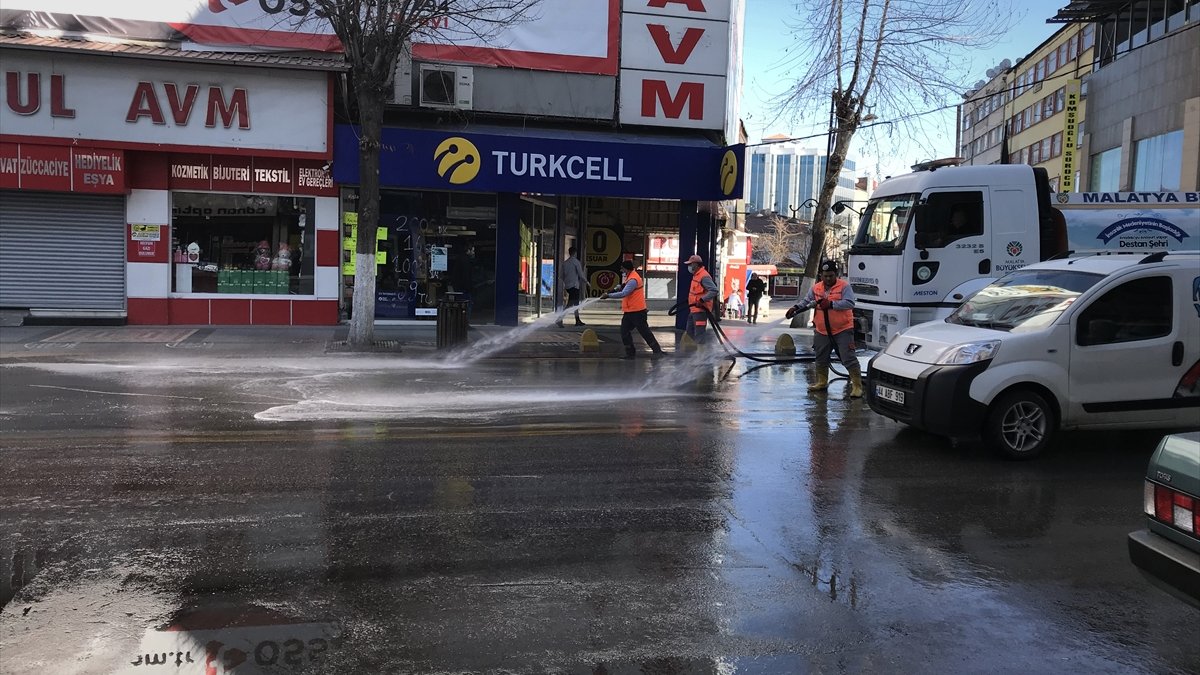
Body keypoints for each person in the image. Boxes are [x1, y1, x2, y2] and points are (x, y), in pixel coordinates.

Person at [785, 260, 863, 398]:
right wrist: (796, 308)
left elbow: (850, 303)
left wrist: (832, 304)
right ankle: (822, 382)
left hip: (842, 330)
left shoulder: (844, 287)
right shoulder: (816, 288)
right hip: (822, 331)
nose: (828, 279)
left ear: (836, 274)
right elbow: (807, 301)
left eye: (831, 276)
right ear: (821, 275)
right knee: (821, 358)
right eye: (825, 276)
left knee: (848, 357)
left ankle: (857, 386)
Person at [600, 260, 666, 359]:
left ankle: (657, 351)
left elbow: (624, 293)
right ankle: (630, 353)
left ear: (626, 269)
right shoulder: (630, 277)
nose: (621, 270)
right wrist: (618, 287)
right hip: (630, 312)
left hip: (638, 312)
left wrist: (608, 295)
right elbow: (624, 288)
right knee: (624, 332)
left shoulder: (633, 280)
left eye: (622, 268)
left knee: (644, 332)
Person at [684, 254, 719, 343]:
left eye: (690, 264)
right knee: (689, 333)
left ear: (695, 264)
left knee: (699, 334)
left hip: (701, 310)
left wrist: (702, 300)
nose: (689, 266)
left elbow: (714, 290)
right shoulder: (696, 275)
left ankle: (700, 355)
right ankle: (690, 354)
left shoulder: (704, 276)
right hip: (694, 310)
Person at [556, 246, 588, 327]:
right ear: (575, 253)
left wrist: (566, 282)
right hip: (574, 286)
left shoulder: (565, 263)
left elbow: (561, 276)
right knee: (571, 304)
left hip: (568, 286)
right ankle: (560, 319)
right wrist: (587, 282)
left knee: (574, 303)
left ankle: (577, 320)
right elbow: (581, 274)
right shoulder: (576, 262)